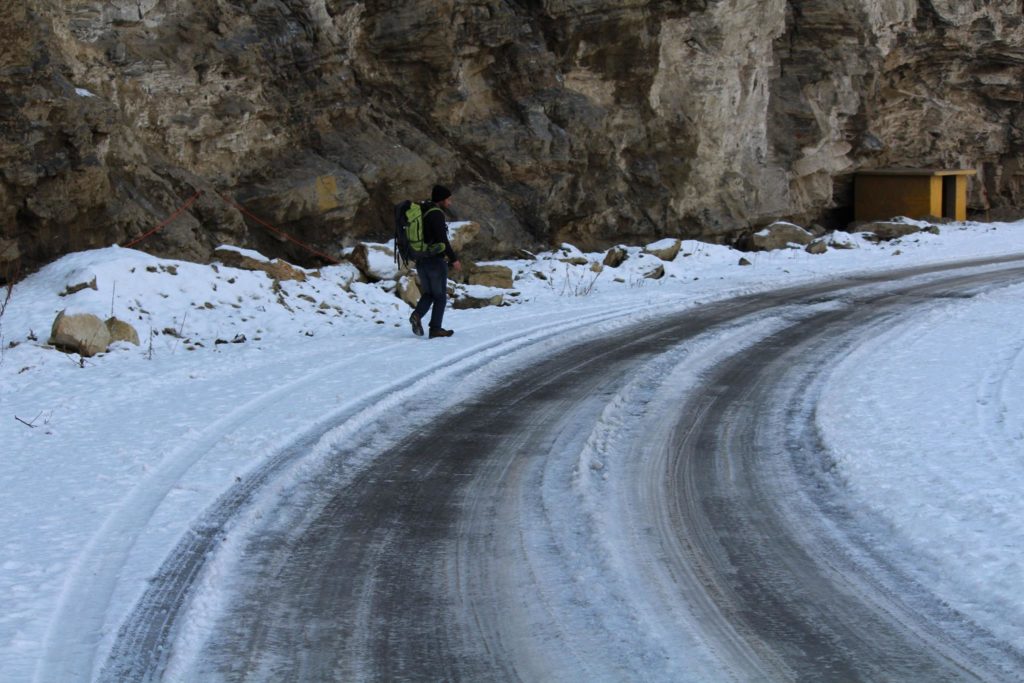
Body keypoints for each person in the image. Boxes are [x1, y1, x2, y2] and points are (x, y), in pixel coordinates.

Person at [409, 184, 461, 338]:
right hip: (435, 261)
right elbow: (442, 239)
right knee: (440, 296)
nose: (450, 203)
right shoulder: (436, 214)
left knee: (429, 293)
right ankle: (435, 329)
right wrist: (454, 259)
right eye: (448, 199)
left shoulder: (423, 212)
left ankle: (417, 315)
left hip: (421, 261)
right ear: (442, 199)